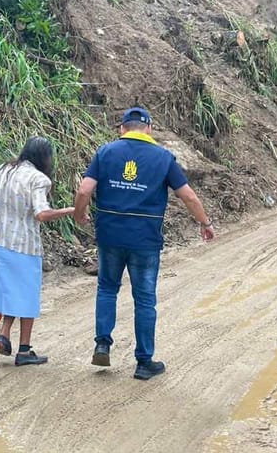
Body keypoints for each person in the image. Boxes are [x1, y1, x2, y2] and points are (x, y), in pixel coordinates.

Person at [74, 106, 215, 380]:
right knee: (145, 298)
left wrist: (79, 214)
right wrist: (205, 223)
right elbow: (188, 196)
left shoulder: (105, 152)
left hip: (110, 235)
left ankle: (102, 343)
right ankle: (143, 361)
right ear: (149, 129)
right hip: (145, 239)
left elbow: (84, 189)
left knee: (107, 288)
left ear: (122, 128)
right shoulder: (163, 158)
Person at [0, 136, 74, 366]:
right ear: (44, 157)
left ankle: (4, 333)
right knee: (28, 296)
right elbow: (41, 214)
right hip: (25, 244)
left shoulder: (3, 170)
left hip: (0, 241)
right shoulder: (39, 179)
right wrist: (70, 210)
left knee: (11, 291)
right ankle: (24, 350)